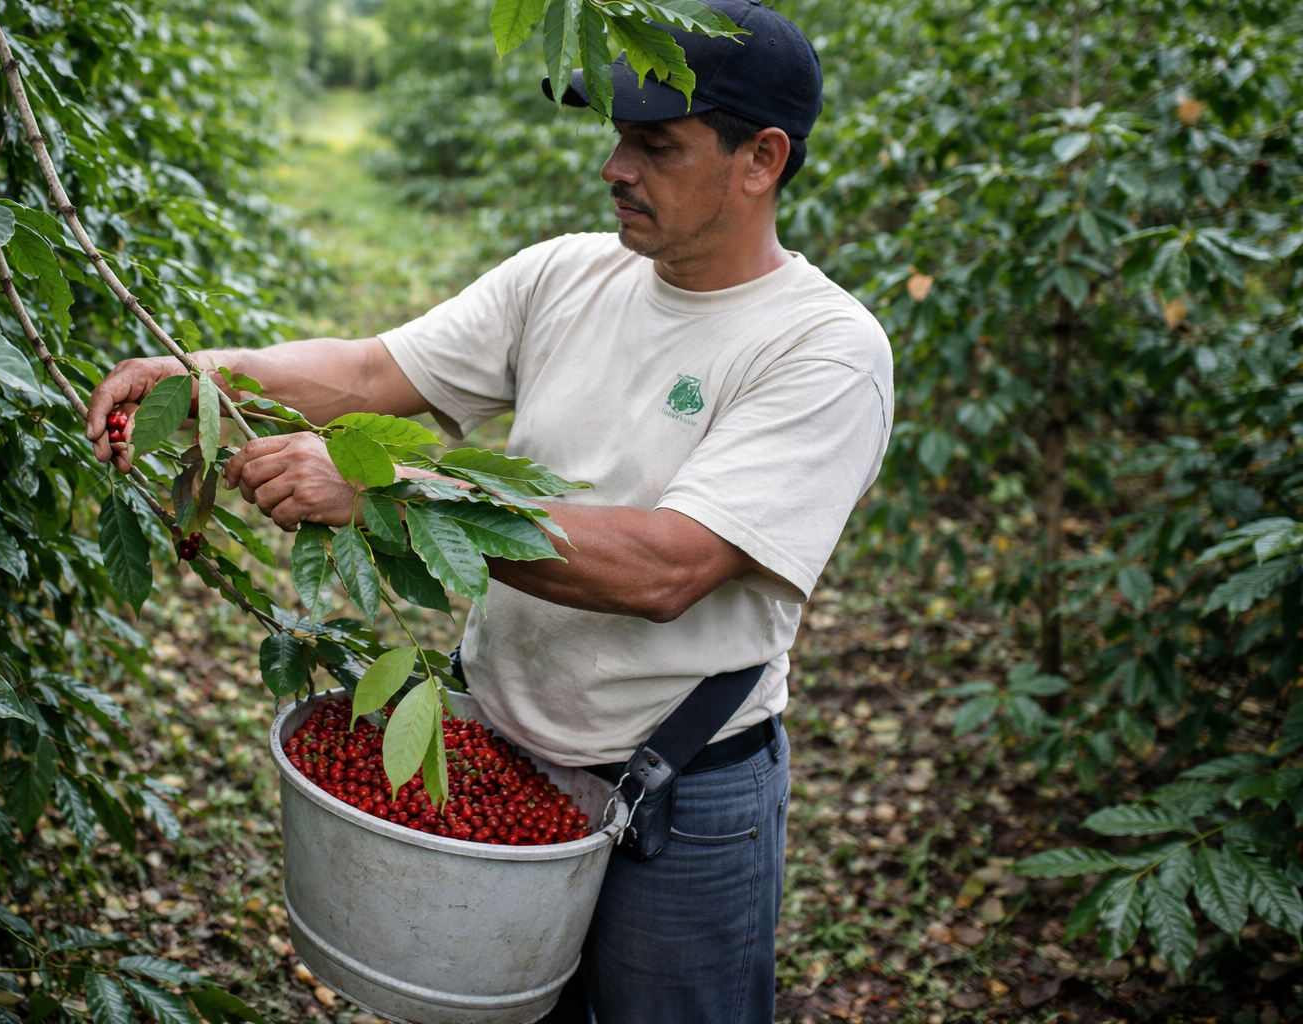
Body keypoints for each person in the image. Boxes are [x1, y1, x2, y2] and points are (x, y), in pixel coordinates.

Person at [86, 2, 891, 1019]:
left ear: (761, 159)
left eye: (655, 143)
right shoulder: (565, 274)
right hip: (496, 742)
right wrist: (204, 374)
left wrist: (387, 488)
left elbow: (665, 568)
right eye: (615, 136)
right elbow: (373, 370)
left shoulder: (824, 350)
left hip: (684, 790)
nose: (614, 166)